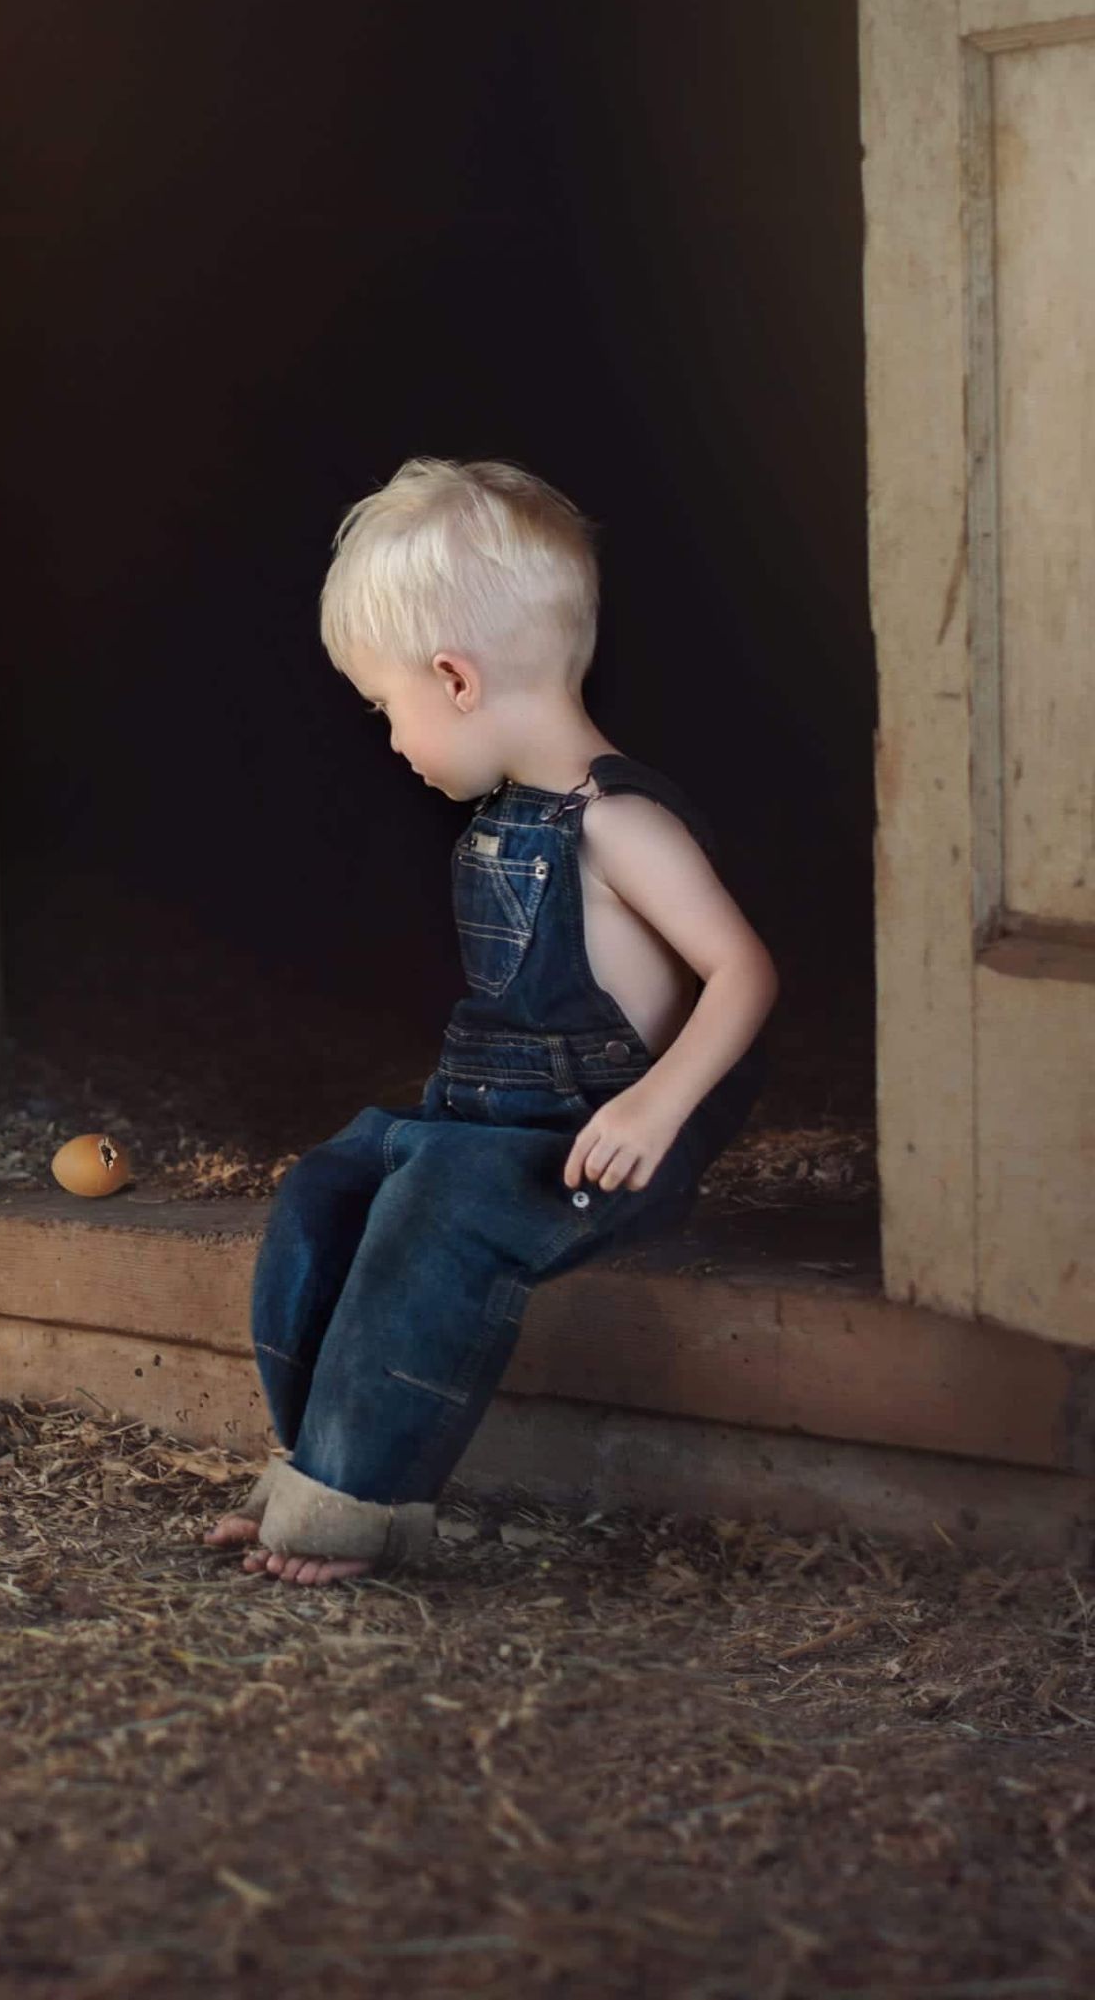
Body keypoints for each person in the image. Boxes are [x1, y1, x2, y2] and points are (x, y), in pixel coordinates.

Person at [205, 458, 778, 1585]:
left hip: (590, 1145)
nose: (391, 741)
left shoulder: (619, 826)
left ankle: (361, 1507)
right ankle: (320, 1467)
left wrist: (657, 1107)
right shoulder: (512, 814)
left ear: (455, 679)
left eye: (388, 708)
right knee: (327, 1188)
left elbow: (745, 972)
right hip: (477, 1119)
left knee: (437, 1218)